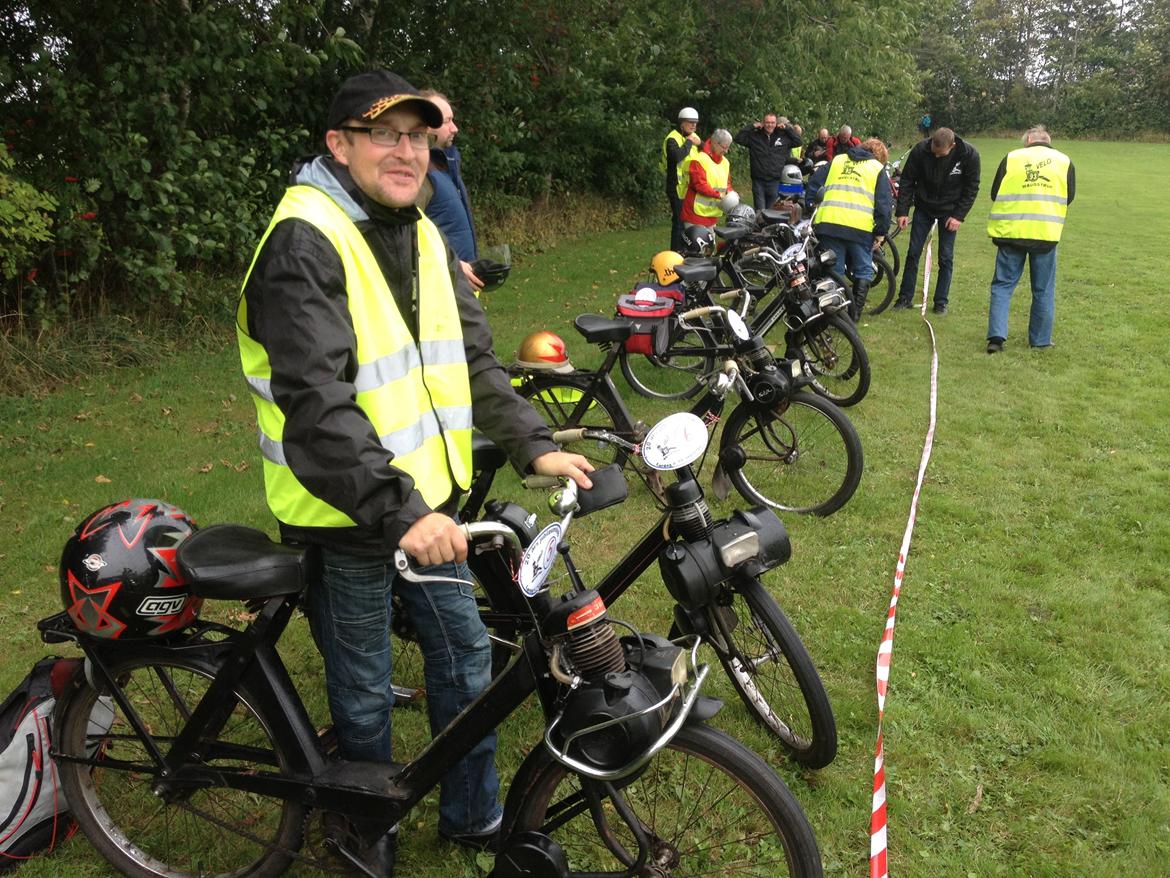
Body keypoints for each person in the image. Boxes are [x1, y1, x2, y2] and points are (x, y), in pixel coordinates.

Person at [236, 70, 594, 871]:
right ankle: (368, 828)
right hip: (348, 513)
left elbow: (471, 358)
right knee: (362, 688)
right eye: (385, 134)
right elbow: (317, 409)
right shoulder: (305, 242)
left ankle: (473, 816)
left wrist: (534, 443)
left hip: (428, 505)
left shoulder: (421, 227)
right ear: (339, 145)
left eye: (419, 136)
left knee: (466, 657)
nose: (407, 151)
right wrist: (404, 512)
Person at [985, 125, 1075, 353]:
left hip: (1011, 233)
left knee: (1003, 285)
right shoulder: (1064, 161)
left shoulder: (1012, 158)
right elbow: (1069, 196)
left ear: (1027, 142)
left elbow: (995, 192)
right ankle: (1040, 340)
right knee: (1043, 289)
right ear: (1048, 141)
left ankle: (996, 338)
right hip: (1045, 234)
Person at [891, 127, 981, 314]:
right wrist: (902, 211)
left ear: (953, 145)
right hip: (924, 206)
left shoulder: (969, 155)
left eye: (941, 154)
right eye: (934, 152)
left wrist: (959, 216)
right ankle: (904, 298)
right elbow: (907, 180)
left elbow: (972, 187)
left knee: (945, 257)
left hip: (950, 209)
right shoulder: (921, 150)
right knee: (913, 253)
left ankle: (941, 302)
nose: (936, 156)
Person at [810, 137, 892, 319]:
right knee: (863, 270)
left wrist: (811, 205)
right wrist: (880, 233)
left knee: (834, 271)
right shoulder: (877, 169)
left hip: (830, 224)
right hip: (859, 229)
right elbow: (884, 205)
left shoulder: (838, 160)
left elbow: (814, 181)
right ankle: (853, 315)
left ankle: (833, 315)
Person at [419, 89, 483, 292]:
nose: (454, 128)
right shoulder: (419, 172)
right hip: (438, 290)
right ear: (427, 126)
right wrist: (451, 264)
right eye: (447, 121)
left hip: (459, 287)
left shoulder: (447, 166)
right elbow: (408, 236)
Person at [733, 112, 802, 210]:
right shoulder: (755, 136)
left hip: (774, 180)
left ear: (776, 123)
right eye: (767, 122)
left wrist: (787, 128)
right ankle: (759, 225)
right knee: (760, 211)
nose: (770, 125)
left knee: (771, 211)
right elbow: (738, 138)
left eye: (772, 122)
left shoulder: (783, 137)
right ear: (763, 123)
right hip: (758, 180)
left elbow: (798, 141)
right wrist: (752, 126)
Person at [662, 106, 702, 251]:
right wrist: (690, 142)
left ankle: (685, 250)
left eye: (695, 123)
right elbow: (676, 156)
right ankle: (675, 252)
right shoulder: (672, 138)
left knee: (687, 222)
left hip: (689, 189)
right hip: (676, 187)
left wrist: (701, 144)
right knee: (678, 223)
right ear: (682, 123)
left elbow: (706, 154)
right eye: (690, 122)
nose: (693, 125)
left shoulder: (693, 137)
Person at [680, 128, 735, 228]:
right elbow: (700, 185)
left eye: (728, 148)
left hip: (713, 214)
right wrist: (720, 195)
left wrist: (731, 194)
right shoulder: (699, 160)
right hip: (695, 214)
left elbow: (727, 184)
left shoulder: (725, 162)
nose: (726, 151)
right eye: (724, 147)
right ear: (714, 143)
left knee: (711, 243)